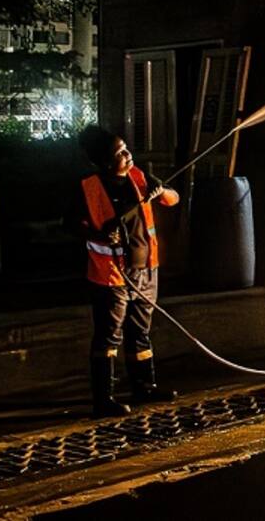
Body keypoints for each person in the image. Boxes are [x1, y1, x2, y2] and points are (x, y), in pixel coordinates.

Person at [68, 126, 180, 417]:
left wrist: (161, 190)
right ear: (105, 161)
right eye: (120, 152)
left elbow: (173, 199)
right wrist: (100, 234)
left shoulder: (139, 177)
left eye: (126, 148)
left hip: (145, 269)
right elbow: (71, 225)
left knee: (140, 332)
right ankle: (104, 399)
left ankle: (145, 387)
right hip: (111, 276)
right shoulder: (89, 187)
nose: (128, 154)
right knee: (108, 337)